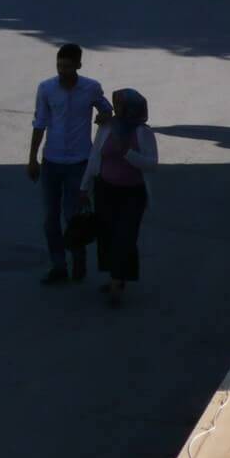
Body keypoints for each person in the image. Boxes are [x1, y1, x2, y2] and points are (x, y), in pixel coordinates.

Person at [29, 43, 112, 284]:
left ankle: (78, 257)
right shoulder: (46, 89)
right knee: (50, 218)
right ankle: (58, 265)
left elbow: (107, 110)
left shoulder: (91, 88)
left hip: (79, 162)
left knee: (72, 216)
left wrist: (104, 116)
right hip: (51, 161)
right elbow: (39, 123)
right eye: (59, 65)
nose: (62, 70)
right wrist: (32, 159)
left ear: (78, 65)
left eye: (67, 66)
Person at [83, 89, 156, 306]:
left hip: (132, 193)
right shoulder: (108, 127)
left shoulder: (143, 133)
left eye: (121, 107)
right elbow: (95, 156)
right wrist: (83, 187)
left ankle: (117, 281)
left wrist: (128, 153)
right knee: (107, 235)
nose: (117, 110)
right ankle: (116, 275)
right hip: (105, 189)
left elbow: (152, 164)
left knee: (125, 236)